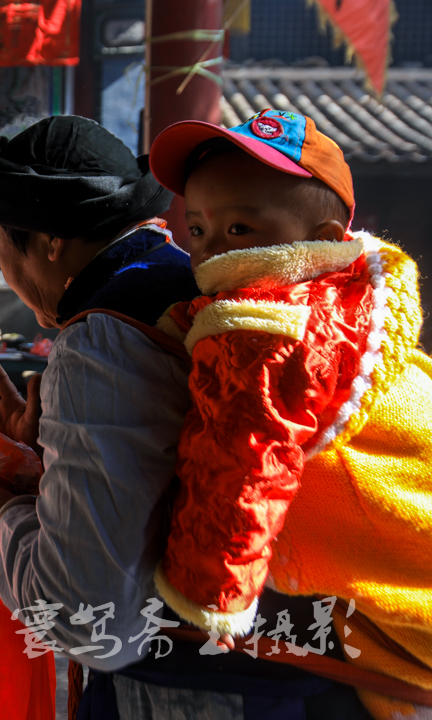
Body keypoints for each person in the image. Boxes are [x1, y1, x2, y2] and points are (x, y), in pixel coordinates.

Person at [0, 115, 373, 718]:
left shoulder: (100, 343)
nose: (4, 272)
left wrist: (3, 511)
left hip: (209, 689)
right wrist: (52, 465)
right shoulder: (197, 291)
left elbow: (86, 618)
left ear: (49, 241)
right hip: (317, 670)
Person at [147, 109, 432, 720]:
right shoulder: (349, 295)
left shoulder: (263, 327)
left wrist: (208, 599)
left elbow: (242, 465)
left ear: (321, 237)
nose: (210, 247)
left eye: (240, 227)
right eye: (196, 228)